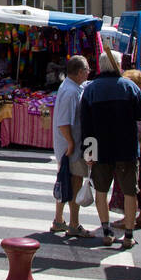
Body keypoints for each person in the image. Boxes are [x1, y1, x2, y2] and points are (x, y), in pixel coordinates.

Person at [80, 46, 141, 250]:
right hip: (126, 148)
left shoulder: (90, 89)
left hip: (100, 149)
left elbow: (86, 124)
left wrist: (88, 151)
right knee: (130, 191)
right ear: (118, 65)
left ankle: (107, 231)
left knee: (101, 190)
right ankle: (128, 235)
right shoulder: (129, 87)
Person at [51, 55, 91, 237]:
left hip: (67, 145)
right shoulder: (70, 91)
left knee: (65, 181)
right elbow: (63, 122)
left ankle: (59, 220)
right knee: (74, 183)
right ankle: (74, 223)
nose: (89, 73)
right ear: (80, 72)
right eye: (87, 70)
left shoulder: (72, 87)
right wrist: (71, 142)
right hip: (69, 146)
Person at [109, 70, 141, 230]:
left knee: (130, 185)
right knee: (140, 182)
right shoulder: (138, 99)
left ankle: (130, 218)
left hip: (134, 149)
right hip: (140, 150)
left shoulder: (136, 100)